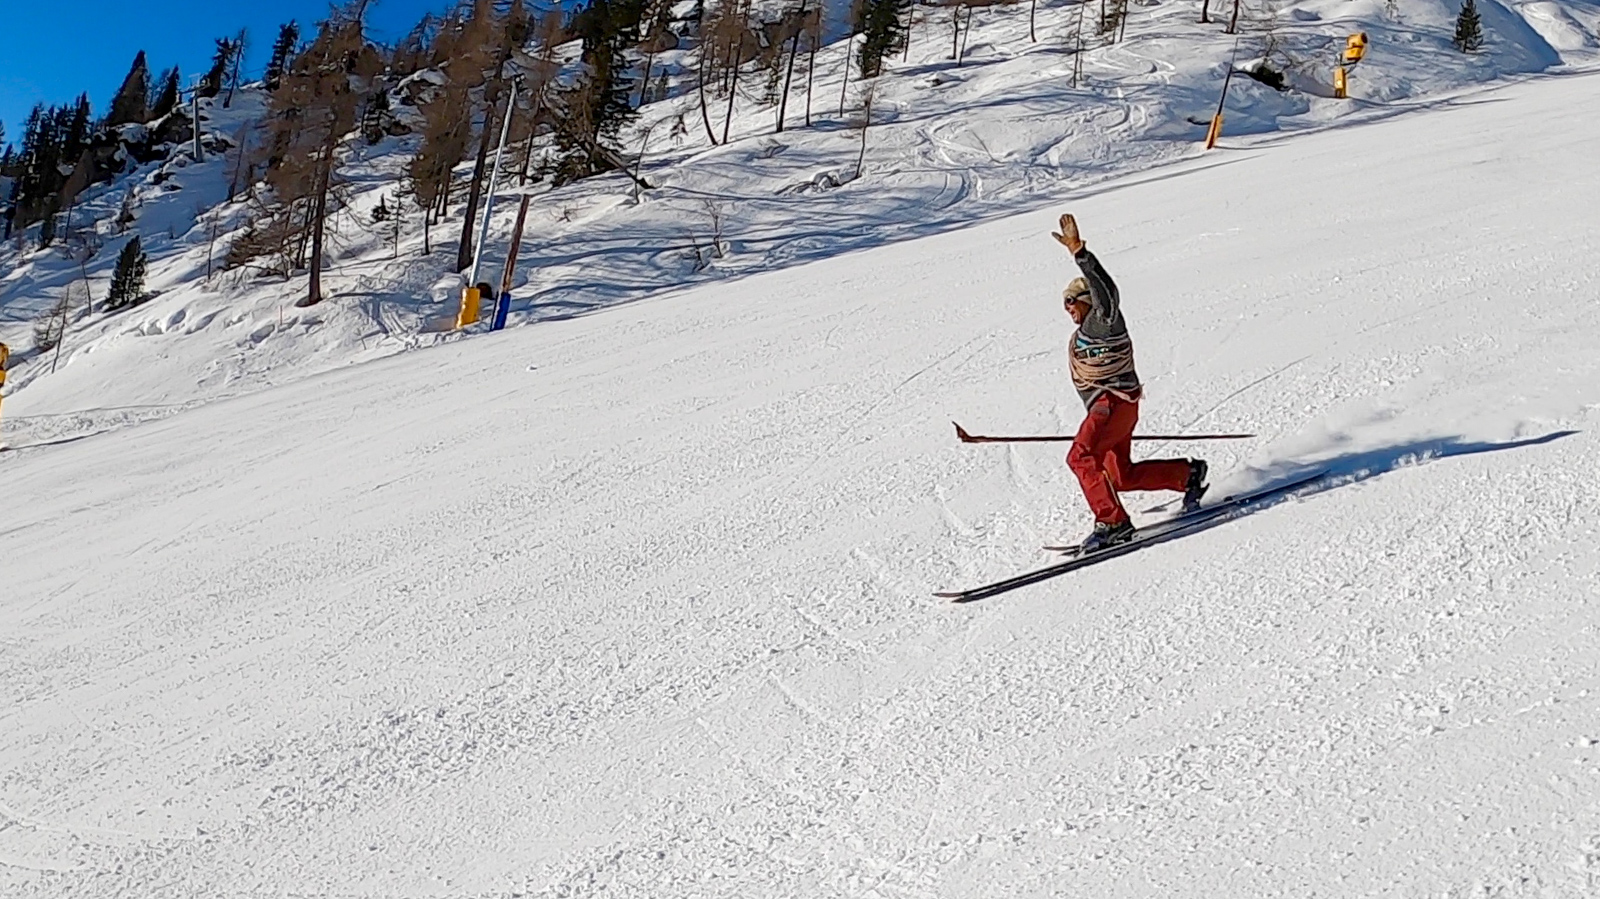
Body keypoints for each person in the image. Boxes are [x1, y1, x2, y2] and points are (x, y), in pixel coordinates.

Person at [1051, 213, 1207, 552]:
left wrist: (1080, 254)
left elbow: (1107, 294)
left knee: (1080, 457)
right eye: (1064, 303)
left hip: (1111, 405)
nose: (1067, 308)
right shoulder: (1084, 335)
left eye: (1072, 300)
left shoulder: (1103, 322)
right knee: (1119, 475)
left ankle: (1113, 522)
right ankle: (1187, 475)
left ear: (1087, 301)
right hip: (1116, 409)